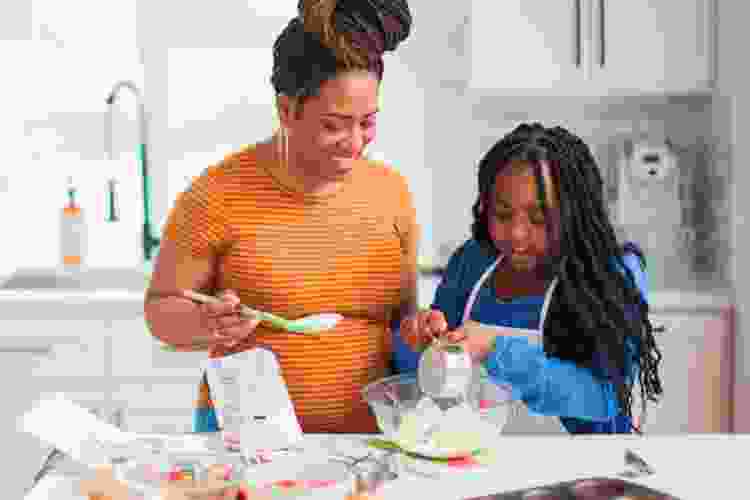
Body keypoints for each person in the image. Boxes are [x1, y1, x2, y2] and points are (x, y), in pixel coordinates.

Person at [144, 0, 417, 434]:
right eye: (334, 125)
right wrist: (205, 324)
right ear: (287, 109)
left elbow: (403, 323)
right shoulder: (215, 194)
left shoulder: (393, 194)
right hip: (244, 445)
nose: (354, 142)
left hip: (371, 446)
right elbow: (160, 309)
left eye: (367, 122)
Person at [400, 123, 663, 433]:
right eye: (502, 214)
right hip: (476, 462)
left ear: (575, 213)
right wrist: (417, 339)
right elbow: (435, 371)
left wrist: (496, 349)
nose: (517, 234)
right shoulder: (472, 261)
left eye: (540, 218)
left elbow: (602, 397)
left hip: (582, 470)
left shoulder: (610, 275)